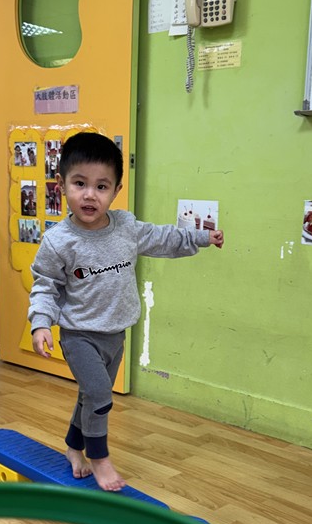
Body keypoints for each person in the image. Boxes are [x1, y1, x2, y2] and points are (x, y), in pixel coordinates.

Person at [29, 131, 224, 491]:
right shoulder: (58, 241)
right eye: (80, 183)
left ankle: (73, 447)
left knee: (90, 396)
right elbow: (45, 285)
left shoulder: (127, 228)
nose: (90, 194)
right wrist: (41, 323)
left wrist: (201, 237)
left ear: (116, 190)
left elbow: (164, 238)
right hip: (79, 335)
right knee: (100, 395)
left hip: (115, 334)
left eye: (101, 186)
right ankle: (99, 458)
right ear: (62, 184)